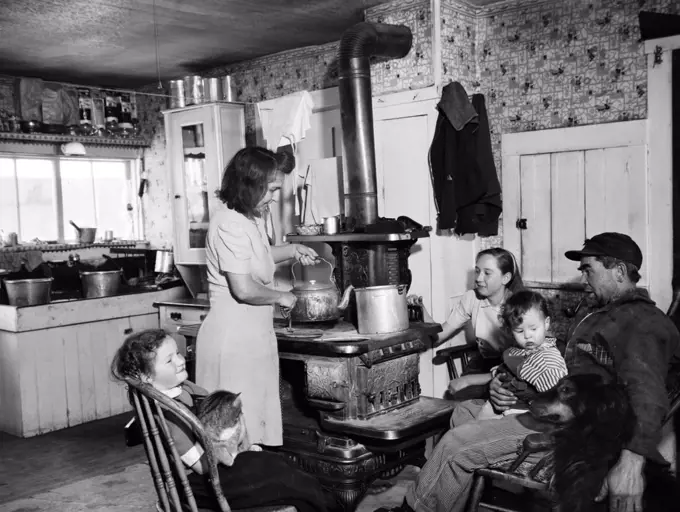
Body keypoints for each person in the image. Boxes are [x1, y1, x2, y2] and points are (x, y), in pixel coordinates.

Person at [376, 232, 680, 512]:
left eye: (589, 269)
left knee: (455, 445)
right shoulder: (609, 313)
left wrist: (631, 460)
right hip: (563, 412)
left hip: (575, 433)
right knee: (464, 412)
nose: (583, 277)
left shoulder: (641, 323)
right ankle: (454, 497)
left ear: (619, 272)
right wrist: (499, 383)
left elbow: (648, 394)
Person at [112, 329, 337, 512]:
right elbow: (201, 466)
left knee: (281, 466)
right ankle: (326, 505)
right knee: (284, 478)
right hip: (200, 485)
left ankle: (323, 502)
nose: (180, 361)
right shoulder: (169, 417)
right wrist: (230, 445)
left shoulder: (182, 390)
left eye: (178, 354)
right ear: (147, 378)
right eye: (169, 360)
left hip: (213, 471)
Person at [195, 146, 319, 447]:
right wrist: (283, 297)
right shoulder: (229, 224)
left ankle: (250, 486)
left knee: (253, 427)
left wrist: (291, 250)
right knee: (233, 432)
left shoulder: (249, 219)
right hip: (233, 340)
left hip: (252, 336)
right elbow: (244, 288)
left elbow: (258, 257)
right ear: (249, 184)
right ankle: (234, 489)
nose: (273, 196)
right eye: (270, 189)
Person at [451, 290, 567, 420]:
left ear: (546, 323)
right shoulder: (517, 351)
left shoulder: (545, 359)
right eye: (519, 330)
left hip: (523, 416)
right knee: (461, 412)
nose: (527, 335)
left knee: (468, 433)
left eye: (533, 329)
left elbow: (556, 397)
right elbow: (502, 371)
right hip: (502, 407)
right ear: (511, 331)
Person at [434, 248, 523, 398]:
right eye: (477, 271)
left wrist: (468, 380)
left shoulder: (520, 306)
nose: (479, 278)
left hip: (514, 368)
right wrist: (420, 310)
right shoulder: (471, 298)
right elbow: (439, 335)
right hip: (483, 364)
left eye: (487, 273)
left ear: (505, 278)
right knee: (460, 397)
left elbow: (525, 361)